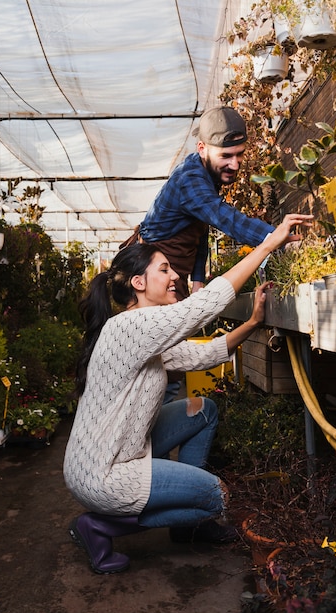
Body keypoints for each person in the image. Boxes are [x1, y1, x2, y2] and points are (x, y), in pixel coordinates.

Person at [63, 212, 312, 575]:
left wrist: (253, 323)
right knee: (215, 496)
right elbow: (203, 306)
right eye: (164, 270)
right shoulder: (132, 325)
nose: (175, 276)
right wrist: (269, 243)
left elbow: (201, 355)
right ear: (138, 282)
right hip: (105, 474)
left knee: (203, 410)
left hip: (106, 456)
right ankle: (101, 526)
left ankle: (182, 517)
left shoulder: (141, 333)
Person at [135, 105, 302, 300]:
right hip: (155, 275)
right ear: (202, 149)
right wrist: (278, 239)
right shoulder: (190, 181)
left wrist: (197, 280)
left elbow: (200, 232)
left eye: (239, 154)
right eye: (226, 156)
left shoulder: (207, 173)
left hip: (174, 270)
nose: (235, 164)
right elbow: (229, 220)